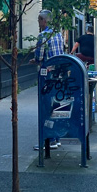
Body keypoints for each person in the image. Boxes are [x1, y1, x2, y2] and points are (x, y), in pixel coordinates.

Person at [30, 10, 65, 149]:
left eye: (39, 20)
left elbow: (39, 57)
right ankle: (56, 138)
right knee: (55, 105)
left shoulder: (43, 35)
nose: (38, 23)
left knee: (45, 106)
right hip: (59, 74)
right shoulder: (58, 34)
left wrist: (35, 60)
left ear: (43, 21)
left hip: (47, 74)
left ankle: (48, 140)